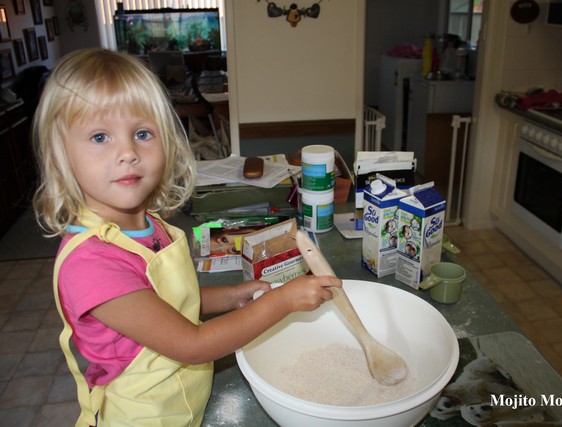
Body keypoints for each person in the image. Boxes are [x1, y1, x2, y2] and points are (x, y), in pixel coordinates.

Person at [31, 48, 341, 427]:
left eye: (142, 133)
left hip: (185, 404)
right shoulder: (92, 265)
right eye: (99, 137)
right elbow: (192, 345)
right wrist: (283, 302)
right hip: (144, 418)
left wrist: (230, 296)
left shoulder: (149, 224)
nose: (127, 152)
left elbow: (166, 303)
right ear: (61, 155)